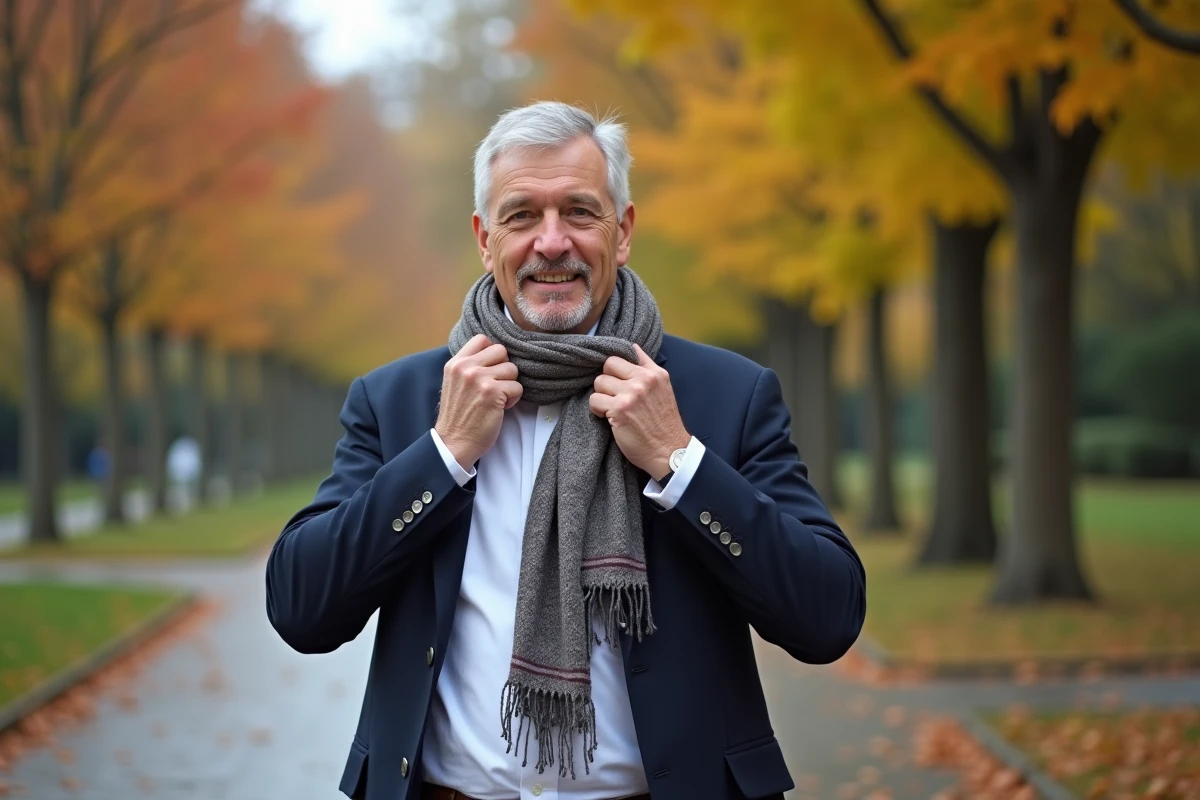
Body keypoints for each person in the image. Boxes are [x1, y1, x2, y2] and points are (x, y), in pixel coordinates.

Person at [266, 101, 865, 800]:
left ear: (625, 229)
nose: (552, 242)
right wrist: (442, 455)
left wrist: (681, 464)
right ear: (485, 239)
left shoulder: (724, 395)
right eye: (522, 216)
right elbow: (302, 609)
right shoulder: (398, 401)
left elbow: (828, 618)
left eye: (580, 211)